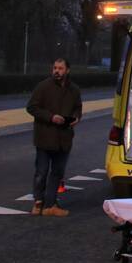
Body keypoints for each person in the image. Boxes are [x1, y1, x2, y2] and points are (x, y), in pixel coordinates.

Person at [26, 58, 83, 217]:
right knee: (41, 172)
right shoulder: (43, 86)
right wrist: (51, 117)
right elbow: (31, 107)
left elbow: (78, 108)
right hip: (45, 136)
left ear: (67, 70)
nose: (56, 71)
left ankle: (50, 204)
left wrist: (76, 117)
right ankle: (38, 202)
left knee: (57, 172)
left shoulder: (74, 90)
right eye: (55, 68)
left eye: (60, 68)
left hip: (64, 137)